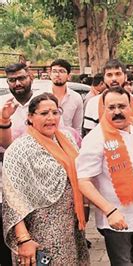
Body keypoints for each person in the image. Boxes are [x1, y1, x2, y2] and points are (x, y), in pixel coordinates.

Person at [2, 93, 89, 265]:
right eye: (43, 113)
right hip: (38, 232)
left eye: (55, 112)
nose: (51, 118)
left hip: (69, 229)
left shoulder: (67, 139)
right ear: (30, 117)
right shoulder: (19, 150)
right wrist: (23, 239)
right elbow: (12, 198)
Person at [76, 86, 133, 265]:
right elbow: (83, 181)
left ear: (130, 106)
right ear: (103, 109)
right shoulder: (95, 138)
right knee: (123, 262)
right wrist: (110, 211)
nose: (117, 112)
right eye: (111, 107)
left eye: (122, 106)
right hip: (117, 217)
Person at [0, 63, 49, 265]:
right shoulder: (3, 104)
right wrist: (4, 119)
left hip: (41, 179)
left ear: (31, 77)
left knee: (42, 237)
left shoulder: (43, 102)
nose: (18, 83)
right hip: (10, 179)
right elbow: (5, 146)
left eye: (21, 78)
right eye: (12, 80)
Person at [83, 59, 133, 135]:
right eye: (109, 75)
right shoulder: (93, 103)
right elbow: (90, 136)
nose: (114, 79)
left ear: (125, 77)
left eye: (118, 74)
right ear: (104, 78)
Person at [49, 59, 84, 134]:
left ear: (69, 76)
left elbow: (77, 128)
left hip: (68, 141)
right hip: (45, 141)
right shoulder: (40, 95)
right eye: (54, 71)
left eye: (62, 71)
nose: (57, 75)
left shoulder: (76, 98)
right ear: (50, 74)